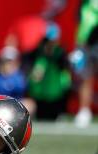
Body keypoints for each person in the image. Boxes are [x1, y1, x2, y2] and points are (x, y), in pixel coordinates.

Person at [26, 23, 71, 120]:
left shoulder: (60, 52)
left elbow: (64, 71)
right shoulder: (37, 52)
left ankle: (60, 113)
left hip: (55, 90)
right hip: (40, 90)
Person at [0, 46, 36, 115]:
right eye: (5, 61)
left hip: (16, 105)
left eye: (10, 62)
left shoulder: (20, 76)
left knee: (30, 104)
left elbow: (22, 88)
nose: (8, 64)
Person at [73, 0, 98, 128]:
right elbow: (80, 21)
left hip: (95, 42)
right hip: (83, 45)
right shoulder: (84, 2)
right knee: (85, 77)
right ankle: (84, 111)